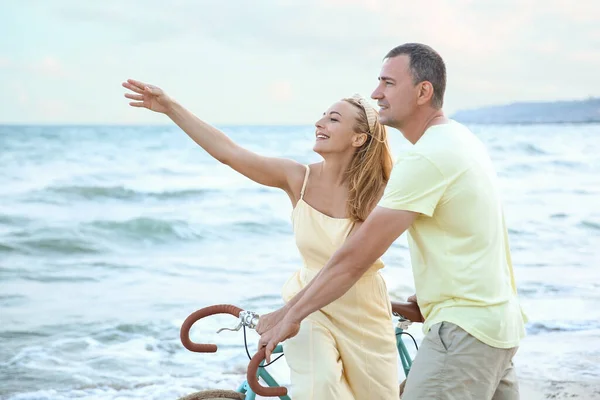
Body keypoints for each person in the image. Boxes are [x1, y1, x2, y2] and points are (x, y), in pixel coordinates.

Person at [258, 43, 528, 400]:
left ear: (423, 91)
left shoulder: (425, 158)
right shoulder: (460, 140)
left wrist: (291, 314)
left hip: (464, 333)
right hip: (497, 325)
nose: (376, 93)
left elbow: (354, 258)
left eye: (388, 83)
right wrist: (430, 298)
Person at [121, 79, 400, 399]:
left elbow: (352, 266)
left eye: (333, 119)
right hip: (307, 308)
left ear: (359, 138)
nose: (319, 123)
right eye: (322, 115)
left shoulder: (380, 194)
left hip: (364, 313)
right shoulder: (298, 178)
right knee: (319, 387)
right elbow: (229, 153)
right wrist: (171, 107)